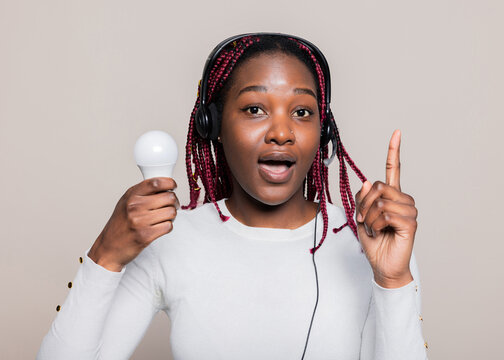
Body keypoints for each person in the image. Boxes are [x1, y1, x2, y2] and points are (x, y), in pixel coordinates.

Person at [37, 33, 428, 360]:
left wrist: (393, 281)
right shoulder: (172, 240)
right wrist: (105, 256)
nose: (281, 132)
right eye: (255, 108)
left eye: (303, 112)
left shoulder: (369, 242)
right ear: (213, 126)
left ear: (323, 133)